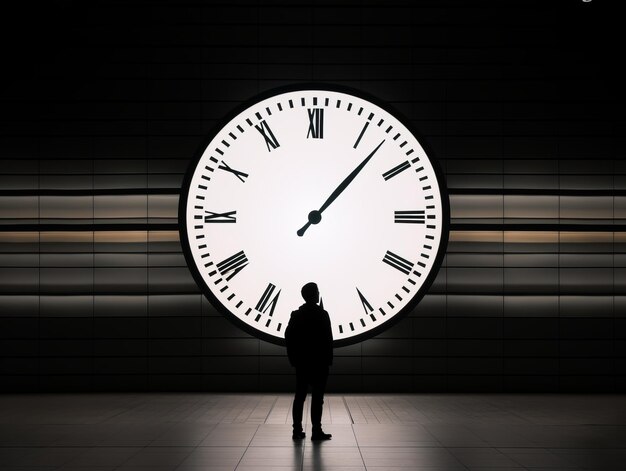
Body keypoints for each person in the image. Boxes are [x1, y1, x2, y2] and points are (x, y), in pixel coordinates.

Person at [285, 282, 333, 440]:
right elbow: (328, 340)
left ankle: (297, 430)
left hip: (302, 362)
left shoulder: (296, 315)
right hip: (319, 362)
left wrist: (294, 358)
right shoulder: (322, 314)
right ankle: (316, 430)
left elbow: (289, 337)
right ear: (315, 295)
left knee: (300, 397)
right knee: (318, 398)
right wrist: (328, 360)